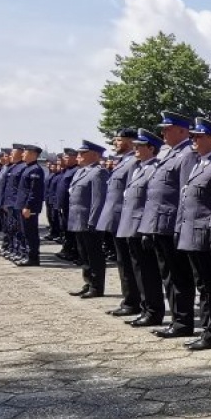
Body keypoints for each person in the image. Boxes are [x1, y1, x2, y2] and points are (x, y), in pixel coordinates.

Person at [139, 112, 199, 339]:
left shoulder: (187, 155)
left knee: (179, 276)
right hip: (160, 225)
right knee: (168, 276)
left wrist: (179, 227)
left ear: (183, 131)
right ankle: (177, 319)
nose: (163, 132)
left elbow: (186, 193)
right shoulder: (171, 154)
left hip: (173, 224)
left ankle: (183, 322)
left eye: (168, 128)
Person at [173, 118, 211, 350]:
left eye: (199, 137)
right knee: (201, 285)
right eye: (193, 136)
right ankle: (206, 330)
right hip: (190, 232)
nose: (193, 140)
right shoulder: (200, 163)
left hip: (204, 233)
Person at [119, 131, 166, 329]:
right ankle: (145, 308)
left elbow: (151, 201)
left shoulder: (153, 169)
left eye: (140, 146)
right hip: (131, 225)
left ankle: (153, 311)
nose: (135, 149)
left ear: (151, 149)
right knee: (138, 270)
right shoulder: (138, 168)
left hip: (142, 226)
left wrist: (148, 228)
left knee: (148, 272)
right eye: (135, 146)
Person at [97, 129, 143, 317]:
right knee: (122, 262)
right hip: (116, 219)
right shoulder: (123, 161)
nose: (115, 143)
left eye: (119, 140)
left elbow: (131, 194)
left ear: (131, 141)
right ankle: (129, 300)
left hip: (125, 219)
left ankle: (133, 302)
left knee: (130, 264)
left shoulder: (133, 162)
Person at [67, 141, 109, 298]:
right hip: (78, 219)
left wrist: (94, 221)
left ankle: (97, 287)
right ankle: (88, 282)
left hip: (90, 221)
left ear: (95, 155)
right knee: (83, 254)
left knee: (94, 255)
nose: (78, 156)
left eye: (82, 153)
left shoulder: (99, 172)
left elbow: (98, 200)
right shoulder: (80, 172)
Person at [16, 145, 46, 266]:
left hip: (29, 208)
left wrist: (28, 206)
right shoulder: (27, 168)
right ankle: (26, 255)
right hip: (22, 205)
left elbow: (34, 191)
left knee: (30, 233)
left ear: (33, 154)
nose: (22, 154)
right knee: (24, 232)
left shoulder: (36, 170)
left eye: (25, 152)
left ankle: (33, 258)